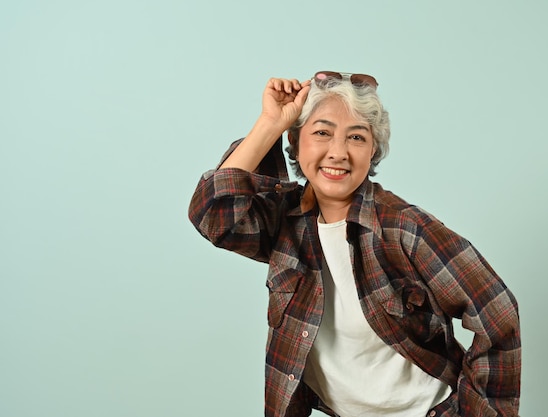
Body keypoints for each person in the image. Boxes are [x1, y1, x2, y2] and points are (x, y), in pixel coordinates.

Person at [188, 71, 521, 417]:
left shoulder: (402, 228)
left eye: (357, 138)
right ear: (296, 142)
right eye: (321, 133)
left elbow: (497, 313)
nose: (338, 152)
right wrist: (270, 123)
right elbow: (213, 215)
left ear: (373, 149)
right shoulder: (284, 222)